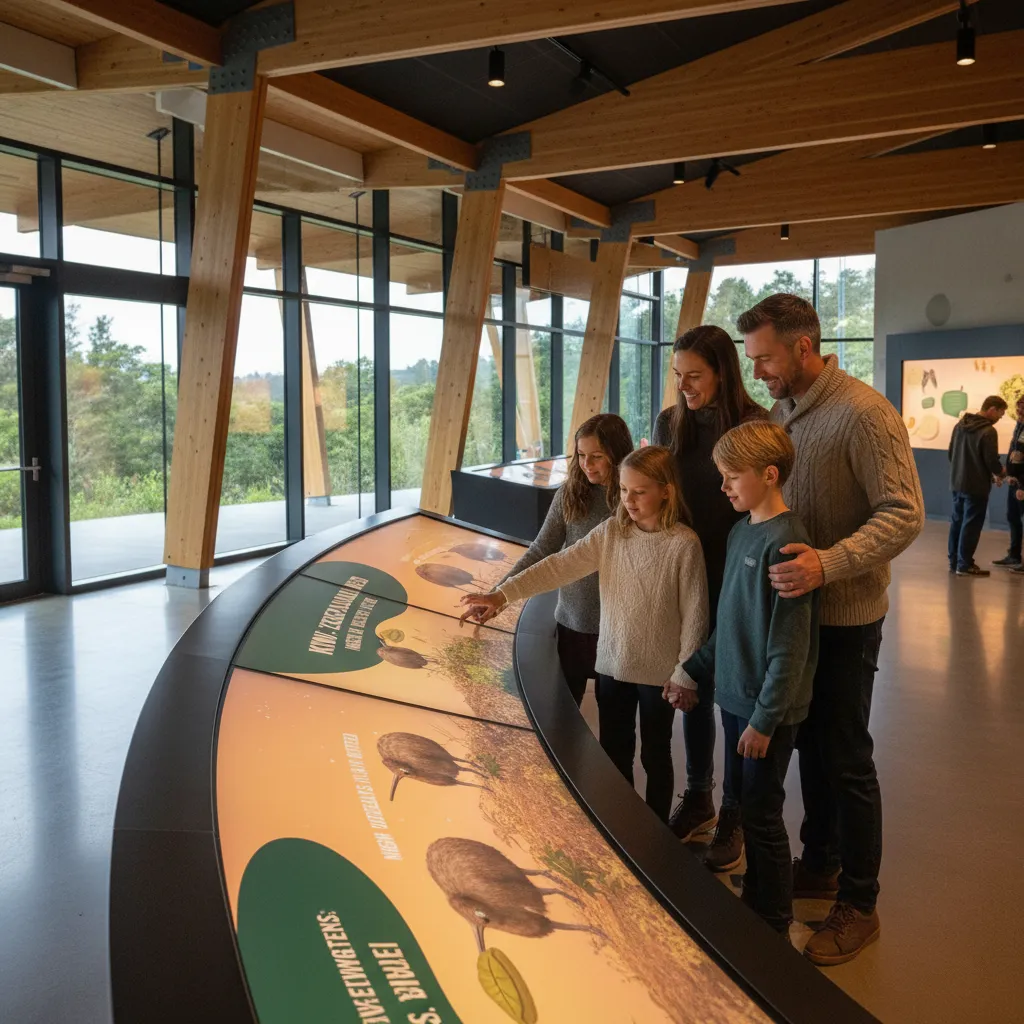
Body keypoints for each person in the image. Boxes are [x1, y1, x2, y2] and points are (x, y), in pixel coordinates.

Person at [739, 293, 923, 966]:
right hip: (798, 620)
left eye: (765, 358)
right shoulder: (783, 415)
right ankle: (818, 863)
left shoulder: (864, 413)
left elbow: (904, 513)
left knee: (845, 758)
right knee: (811, 746)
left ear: (803, 347)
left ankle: (861, 902)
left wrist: (830, 563)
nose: (759, 372)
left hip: (846, 617)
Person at [460, 446, 708, 823]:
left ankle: (658, 836)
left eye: (639, 492)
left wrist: (684, 673)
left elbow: (696, 615)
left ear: (666, 491)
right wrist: (503, 594)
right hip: (611, 667)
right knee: (612, 753)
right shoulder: (611, 532)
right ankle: (619, 826)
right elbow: (559, 565)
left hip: (660, 675)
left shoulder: (684, 544)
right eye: (624, 491)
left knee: (656, 755)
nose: (629, 500)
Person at [673, 420, 818, 935]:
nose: (724, 486)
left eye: (733, 477)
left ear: (770, 475)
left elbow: (790, 647)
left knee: (761, 814)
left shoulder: (788, 543)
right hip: (733, 701)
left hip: (763, 713)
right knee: (743, 801)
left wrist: (765, 720)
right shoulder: (740, 532)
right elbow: (729, 625)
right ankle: (757, 896)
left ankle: (774, 921)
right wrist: (691, 670)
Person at [652, 325, 767, 861]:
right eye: (678, 376)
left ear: (723, 371)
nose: (684, 386)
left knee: (736, 702)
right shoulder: (669, 423)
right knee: (691, 685)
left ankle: (735, 814)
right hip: (685, 573)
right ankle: (699, 797)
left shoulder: (754, 423)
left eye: (694, 376)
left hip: (737, 573)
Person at [483, 414, 634, 705]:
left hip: (619, 630)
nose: (586, 465)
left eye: (597, 456)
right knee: (563, 717)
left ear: (617, 454)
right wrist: (498, 594)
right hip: (571, 625)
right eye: (580, 455)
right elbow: (542, 549)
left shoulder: (634, 497)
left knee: (617, 730)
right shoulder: (569, 493)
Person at [947, 395, 1007, 577]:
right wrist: (1001, 473)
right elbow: (991, 461)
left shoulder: (960, 425)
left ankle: (954, 561)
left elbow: (951, 453)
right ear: (992, 409)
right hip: (976, 486)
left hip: (957, 482)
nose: (1000, 418)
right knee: (971, 525)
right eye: (1000, 414)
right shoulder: (988, 431)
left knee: (957, 521)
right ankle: (964, 565)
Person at [992, 394, 1024, 573]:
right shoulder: (1019, 426)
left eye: (1022, 409)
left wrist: (1023, 486)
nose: (1018, 412)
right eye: (1018, 408)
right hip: (1014, 481)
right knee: (1013, 518)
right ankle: (1014, 555)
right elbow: (1015, 452)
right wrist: (1008, 473)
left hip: (1022, 486)